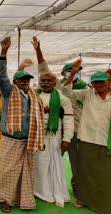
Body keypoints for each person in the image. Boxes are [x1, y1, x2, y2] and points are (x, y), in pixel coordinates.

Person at [0, 37, 45, 213]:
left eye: (27, 80)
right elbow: (1, 75)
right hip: (11, 140)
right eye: (21, 79)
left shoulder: (33, 95)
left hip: (27, 140)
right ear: (15, 82)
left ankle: (23, 198)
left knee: (26, 171)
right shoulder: (9, 92)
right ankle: (5, 200)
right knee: (8, 171)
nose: (25, 82)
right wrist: (4, 51)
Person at [32, 36, 87, 192]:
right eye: (69, 71)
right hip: (50, 130)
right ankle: (41, 188)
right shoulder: (56, 84)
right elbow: (43, 68)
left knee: (75, 161)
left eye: (75, 71)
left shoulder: (84, 88)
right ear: (63, 72)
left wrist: (66, 137)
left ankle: (79, 188)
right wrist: (38, 50)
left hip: (74, 128)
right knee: (43, 160)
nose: (73, 73)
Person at [62, 62, 111, 214]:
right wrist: (72, 73)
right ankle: (82, 199)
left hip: (105, 141)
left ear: (108, 82)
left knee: (104, 173)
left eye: (101, 82)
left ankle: (102, 202)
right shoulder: (87, 93)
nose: (98, 85)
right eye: (95, 82)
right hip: (86, 139)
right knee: (84, 172)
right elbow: (66, 90)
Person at [33, 71, 74, 207]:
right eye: (43, 80)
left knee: (53, 164)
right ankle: (38, 190)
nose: (45, 83)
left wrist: (67, 139)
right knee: (38, 163)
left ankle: (52, 191)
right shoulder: (34, 95)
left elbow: (68, 120)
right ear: (39, 82)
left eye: (48, 81)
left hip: (54, 137)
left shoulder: (63, 99)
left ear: (54, 83)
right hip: (36, 136)